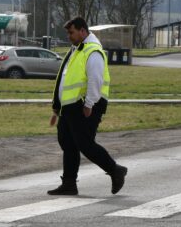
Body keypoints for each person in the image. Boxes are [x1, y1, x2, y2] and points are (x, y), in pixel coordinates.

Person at [48, 16, 127, 196]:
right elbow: (65, 78)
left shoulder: (93, 51)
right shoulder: (76, 50)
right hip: (69, 107)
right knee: (68, 143)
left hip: (84, 105)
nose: (69, 36)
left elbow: (95, 79)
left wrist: (89, 103)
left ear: (83, 31)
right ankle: (69, 183)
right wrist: (57, 106)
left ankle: (115, 170)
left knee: (85, 144)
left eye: (71, 32)